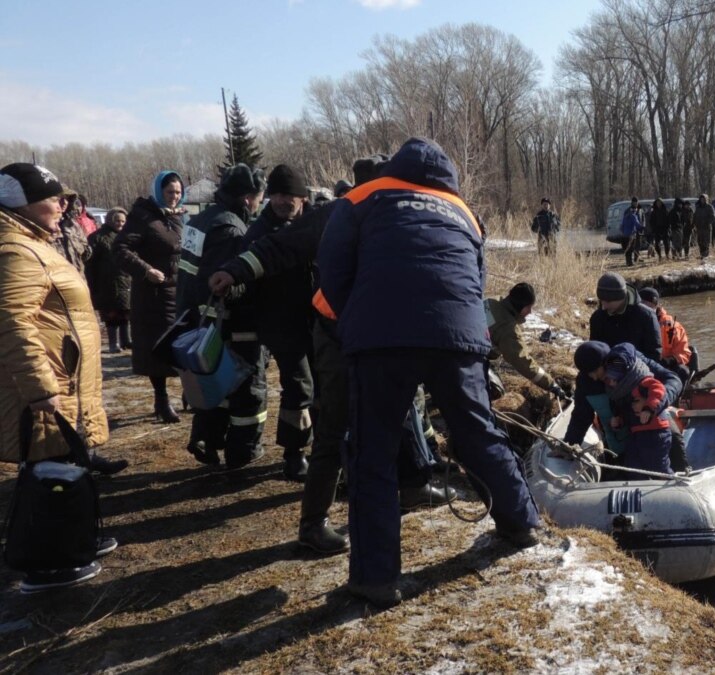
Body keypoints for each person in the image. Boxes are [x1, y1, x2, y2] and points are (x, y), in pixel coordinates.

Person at [318, 137, 542, 607]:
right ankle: (520, 524)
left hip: (381, 340)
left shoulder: (359, 199)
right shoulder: (463, 212)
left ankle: (376, 579)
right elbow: (475, 279)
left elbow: (332, 274)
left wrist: (359, 320)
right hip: (457, 336)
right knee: (479, 431)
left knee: (373, 453)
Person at [212, 153, 455, 555]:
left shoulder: (406, 214)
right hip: (339, 336)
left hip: (385, 336)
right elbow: (280, 246)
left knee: (404, 406)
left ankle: (412, 485)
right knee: (334, 425)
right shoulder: (340, 214)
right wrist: (235, 269)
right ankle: (313, 524)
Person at [0, 161, 126, 477]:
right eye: (55, 198)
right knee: (54, 485)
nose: (63, 205)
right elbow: (12, 322)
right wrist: (41, 389)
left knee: (64, 477)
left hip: (62, 385)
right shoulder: (16, 251)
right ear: (24, 204)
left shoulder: (33, 243)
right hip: (51, 392)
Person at [176, 163, 268, 470]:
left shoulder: (200, 221)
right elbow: (224, 284)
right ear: (246, 199)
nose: (259, 205)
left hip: (199, 323)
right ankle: (243, 453)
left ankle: (207, 439)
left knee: (215, 387)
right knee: (247, 391)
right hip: (229, 325)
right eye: (258, 198)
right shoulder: (230, 230)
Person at [246, 164, 315, 482]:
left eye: (288, 195)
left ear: (302, 198)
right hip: (280, 321)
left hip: (318, 320)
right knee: (299, 386)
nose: (280, 201)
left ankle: (322, 446)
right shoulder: (259, 234)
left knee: (323, 386)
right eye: (275, 194)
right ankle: (294, 453)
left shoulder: (318, 224)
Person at [114, 171, 186, 423]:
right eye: (169, 192)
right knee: (158, 347)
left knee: (184, 342)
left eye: (178, 192)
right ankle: (161, 400)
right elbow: (120, 249)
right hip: (153, 294)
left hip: (179, 290)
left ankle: (191, 391)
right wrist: (146, 271)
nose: (174, 197)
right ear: (158, 192)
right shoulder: (142, 216)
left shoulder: (178, 217)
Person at [563, 341, 681, 479]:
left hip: (656, 427)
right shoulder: (586, 382)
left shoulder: (632, 363)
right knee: (633, 471)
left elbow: (673, 380)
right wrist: (568, 445)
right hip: (625, 440)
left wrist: (649, 403)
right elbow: (581, 416)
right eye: (589, 374)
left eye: (595, 372)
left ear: (605, 362)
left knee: (666, 458)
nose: (594, 377)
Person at [485, 282, 569, 401]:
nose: (530, 312)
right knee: (496, 391)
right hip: (468, 358)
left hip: (455, 345)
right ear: (520, 305)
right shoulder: (508, 329)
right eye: (529, 307)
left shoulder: (491, 301)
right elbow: (523, 362)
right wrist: (551, 385)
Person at [86, 208, 132, 354]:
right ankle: (114, 343)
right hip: (106, 282)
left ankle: (126, 340)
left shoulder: (126, 237)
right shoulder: (97, 237)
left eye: (123, 221)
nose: (120, 224)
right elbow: (90, 262)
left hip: (125, 280)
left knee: (125, 312)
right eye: (117, 221)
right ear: (110, 220)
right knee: (111, 314)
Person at [589, 271, 661, 362]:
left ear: (621, 297)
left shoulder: (646, 316)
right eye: (601, 300)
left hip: (638, 370)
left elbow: (654, 355)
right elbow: (595, 351)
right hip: (606, 370)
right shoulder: (597, 317)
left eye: (608, 302)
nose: (604, 306)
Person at [637, 287, 691, 384]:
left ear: (656, 305)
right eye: (643, 304)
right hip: (643, 366)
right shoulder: (633, 324)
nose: (646, 309)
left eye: (649, 305)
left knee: (683, 371)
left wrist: (669, 361)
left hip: (667, 367)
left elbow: (684, 353)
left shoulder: (674, 326)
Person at [55, 192, 91, 275]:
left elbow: (85, 249)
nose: (64, 202)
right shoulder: (45, 226)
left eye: (67, 199)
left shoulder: (73, 224)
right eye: (60, 199)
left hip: (78, 276)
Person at [620, 197, 643, 267]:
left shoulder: (625, 215)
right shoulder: (633, 215)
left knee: (627, 249)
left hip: (625, 234)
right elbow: (636, 223)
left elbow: (622, 225)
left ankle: (628, 261)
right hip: (631, 234)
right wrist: (641, 227)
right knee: (631, 248)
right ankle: (629, 262)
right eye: (635, 203)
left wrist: (622, 232)